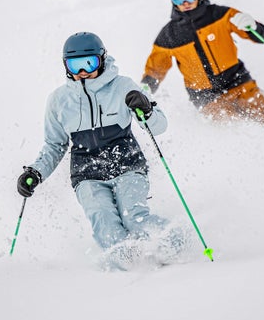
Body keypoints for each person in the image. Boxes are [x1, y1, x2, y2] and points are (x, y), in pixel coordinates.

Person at [18, 31, 183, 269]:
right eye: (75, 65)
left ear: (102, 59)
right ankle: (131, 265)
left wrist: (146, 109)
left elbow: (159, 126)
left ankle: (173, 245)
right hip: (87, 175)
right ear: (66, 66)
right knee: (104, 223)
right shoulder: (59, 100)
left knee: (134, 217)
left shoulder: (123, 86)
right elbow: (55, 145)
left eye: (89, 63)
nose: (82, 72)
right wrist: (35, 172)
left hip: (127, 165)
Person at [141, 0, 264, 127]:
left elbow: (262, 37)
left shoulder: (221, 15)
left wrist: (253, 27)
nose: (185, 2)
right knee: (232, 130)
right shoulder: (169, 35)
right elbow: (155, 69)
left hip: (239, 83)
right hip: (206, 97)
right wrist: (145, 88)